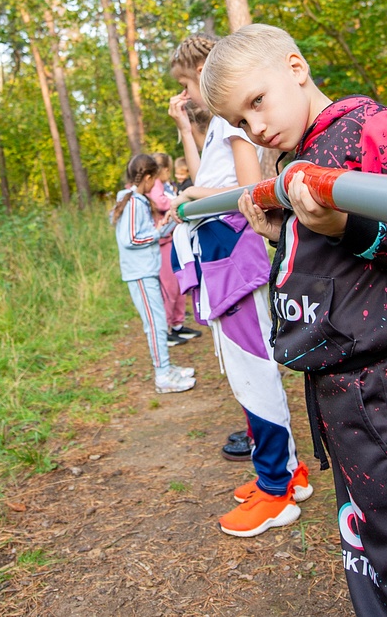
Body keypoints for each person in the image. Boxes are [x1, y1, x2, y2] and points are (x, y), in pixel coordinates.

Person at [204, 23, 387, 616]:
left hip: (378, 378)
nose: (256, 127)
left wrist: (347, 226)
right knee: (363, 537)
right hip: (331, 379)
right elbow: (329, 265)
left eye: (257, 102)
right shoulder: (298, 150)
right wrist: (283, 233)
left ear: (296, 69)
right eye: (241, 123)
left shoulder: (368, 128)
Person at [167, 33, 312, 537]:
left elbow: (247, 188)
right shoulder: (222, 124)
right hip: (219, 254)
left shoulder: (237, 122)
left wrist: (197, 195)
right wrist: (187, 134)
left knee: (252, 370)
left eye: (193, 81)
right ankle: (285, 472)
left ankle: (277, 491)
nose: (194, 91)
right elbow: (208, 172)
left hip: (235, 250)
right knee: (242, 368)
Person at [113, 153, 196, 395]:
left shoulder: (138, 200)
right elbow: (130, 238)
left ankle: (166, 367)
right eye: (155, 180)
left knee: (159, 321)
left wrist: (168, 223)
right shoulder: (131, 202)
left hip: (147, 270)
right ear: (148, 178)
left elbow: (144, 232)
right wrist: (158, 233)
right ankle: (162, 375)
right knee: (155, 323)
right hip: (139, 273)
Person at [147, 152, 203, 346]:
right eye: (167, 170)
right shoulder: (155, 185)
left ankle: (177, 324)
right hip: (162, 242)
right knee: (170, 288)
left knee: (179, 285)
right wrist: (176, 200)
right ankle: (166, 328)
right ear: (161, 170)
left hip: (172, 240)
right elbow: (160, 201)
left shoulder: (166, 185)